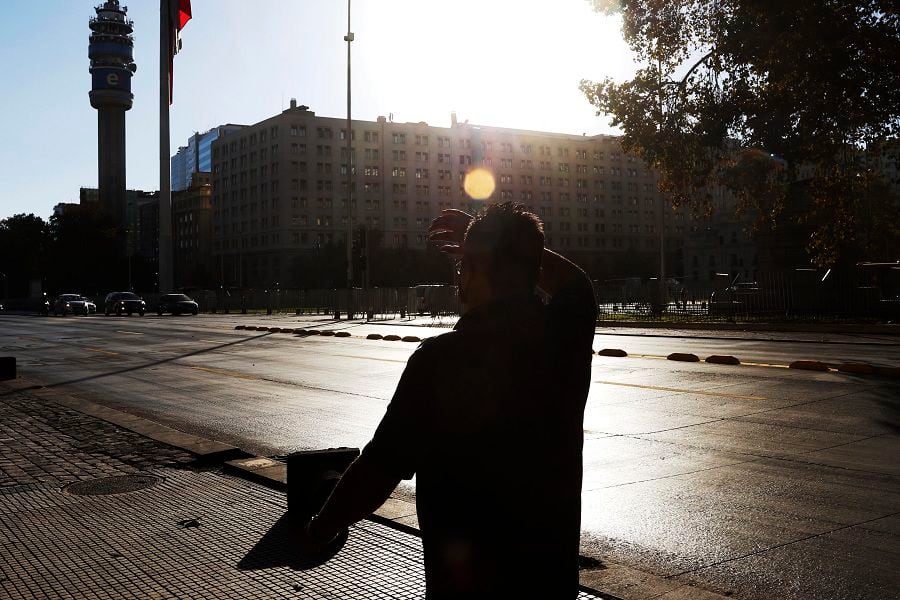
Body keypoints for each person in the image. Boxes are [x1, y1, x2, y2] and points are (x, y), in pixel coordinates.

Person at [301, 202, 596, 598]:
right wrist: (503, 245)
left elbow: (379, 468)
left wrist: (320, 529)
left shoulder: (440, 361)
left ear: (471, 273)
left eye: (462, 267)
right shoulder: (567, 337)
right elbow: (577, 284)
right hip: (551, 585)